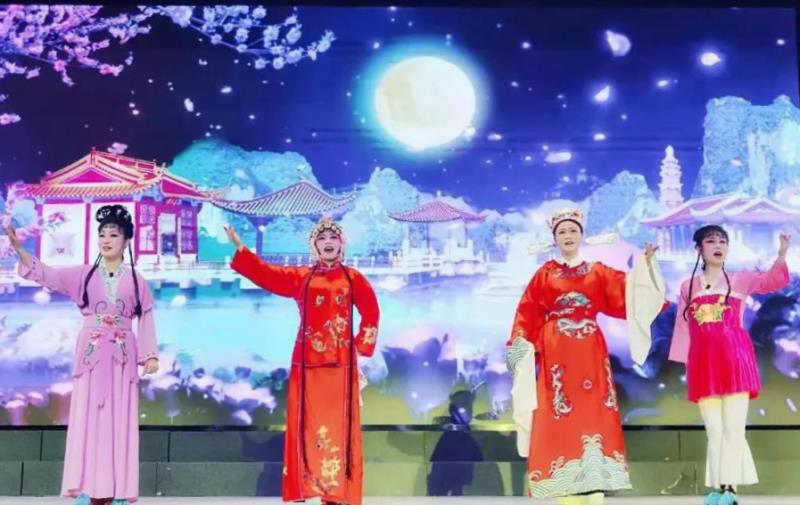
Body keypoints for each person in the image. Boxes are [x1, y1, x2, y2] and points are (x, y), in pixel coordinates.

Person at [507, 208, 664, 505]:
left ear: (581, 235)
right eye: (562, 232)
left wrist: (645, 266)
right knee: (558, 409)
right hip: (556, 350)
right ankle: (563, 480)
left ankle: (594, 482)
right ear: (554, 238)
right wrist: (519, 347)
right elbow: (526, 313)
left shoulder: (598, 271)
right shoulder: (544, 274)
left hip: (590, 348)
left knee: (594, 409)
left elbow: (630, 291)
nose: (568, 236)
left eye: (573, 230)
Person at [6, 204, 159, 505]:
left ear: (126, 240)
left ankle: (117, 490)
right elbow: (48, 275)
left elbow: (147, 315)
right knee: (88, 417)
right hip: (91, 354)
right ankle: (87, 488)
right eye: (102, 234)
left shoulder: (136, 279)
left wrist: (149, 355)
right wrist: (20, 250)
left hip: (122, 356)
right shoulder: (84, 275)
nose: (106, 240)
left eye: (113, 235)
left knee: (120, 420)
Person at [225, 217, 379, 505]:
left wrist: (360, 347)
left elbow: (371, 311)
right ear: (314, 246)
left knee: (339, 427)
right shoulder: (302, 277)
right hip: (307, 364)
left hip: (341, 365)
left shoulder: (353, 278)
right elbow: (268, 274)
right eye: (322, 238)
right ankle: (307, 487)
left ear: (342, 244)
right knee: (306, 426)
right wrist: (241, 249)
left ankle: (337, 492)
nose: (328, 242)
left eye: (333, 238)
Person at [669, 225, 791, 505]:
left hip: (735, 359)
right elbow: (683, 327)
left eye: (723, 241)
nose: (718, 245)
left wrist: (782, 254)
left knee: (734, 429)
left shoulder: (739, 279)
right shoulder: (688, 286)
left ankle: (729, 489)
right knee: (714, 430)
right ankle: (718, 487)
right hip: (703, 363)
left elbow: (771, 281)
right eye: (711, 241)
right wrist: (685, 362)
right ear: (698, 249)